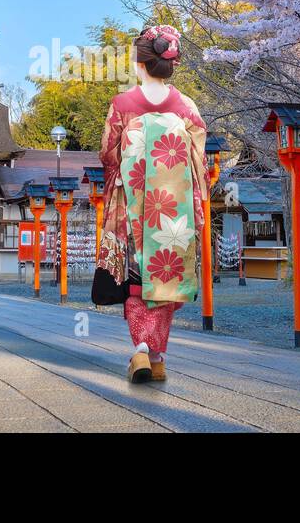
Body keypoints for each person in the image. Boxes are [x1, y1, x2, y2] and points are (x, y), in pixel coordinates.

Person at [98, 25, 209, 383]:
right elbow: (198, 158)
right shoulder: (187, 107)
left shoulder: (123, 104)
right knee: (167, 279)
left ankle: (141, 351)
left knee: (136, 280)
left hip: (134, 203)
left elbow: (108, 156)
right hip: (175, 207)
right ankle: (157, 356)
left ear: (140, 65)